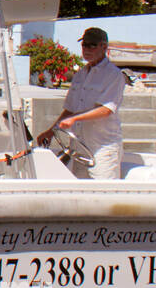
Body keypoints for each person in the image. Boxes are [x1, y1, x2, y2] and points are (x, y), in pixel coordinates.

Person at [35, 27, 124, 179]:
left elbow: (106, 110)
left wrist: (75, 119)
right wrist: (50, 132)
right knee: (81, 195)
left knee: (103, 196)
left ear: (104, 47)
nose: (86, 49)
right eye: (84, 45)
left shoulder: (114, 75)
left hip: (103, 148)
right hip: (79, 147)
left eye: (92, 45)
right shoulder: (81, 74)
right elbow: (69, 110)